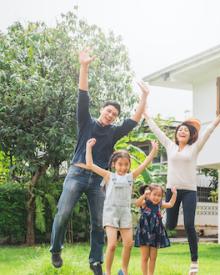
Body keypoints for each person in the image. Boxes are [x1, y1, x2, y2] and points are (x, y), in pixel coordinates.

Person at [49, 48, 149, 275]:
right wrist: (84, 66)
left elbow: (134, 120)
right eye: (109, 110)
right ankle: (56, 249)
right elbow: (82, 94)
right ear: (102, 110)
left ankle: (96, 262)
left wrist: (144, 97)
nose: (111, 114)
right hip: (77, 173)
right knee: (63, 213)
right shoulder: (86, 121)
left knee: (98, 222)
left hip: (99, 180)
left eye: (114, 113)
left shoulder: (114, 132)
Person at [144, 98, 220, 275]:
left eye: (186, 130)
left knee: (189, 224)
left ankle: (194, 261)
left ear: (191, 135)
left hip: (190, 191)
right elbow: (156, 130)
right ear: (176, 134)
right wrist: (145, 114)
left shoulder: (195, 148)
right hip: (172, 190)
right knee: (170, 225)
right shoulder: (169, 146)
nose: (182, 131)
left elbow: (209, 132)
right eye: (180, 129)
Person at [86, 138, 158, 275]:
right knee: (112, 245)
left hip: (125, 213)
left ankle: (123, 270)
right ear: (114, 164)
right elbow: (90, 164)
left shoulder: (131, 176)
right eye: (120, 164)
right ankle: (107, 272)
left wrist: (153, 150)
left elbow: (145, 164)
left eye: (126, 165)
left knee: (128, 244)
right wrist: (89, 148)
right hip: (111, 212)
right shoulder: (108, 175)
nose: (123, 167)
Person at [135, 184, 177, 275]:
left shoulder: (159, 204)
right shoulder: (144, 202)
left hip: (156, 232)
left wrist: (174, 194)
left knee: (153, 257)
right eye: (154, 194)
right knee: (145, 257)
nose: (156, 197)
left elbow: (170, 204)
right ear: (149, 194)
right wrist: (143, 196)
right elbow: (136, 204)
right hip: (144, 231)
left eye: (159, 195)